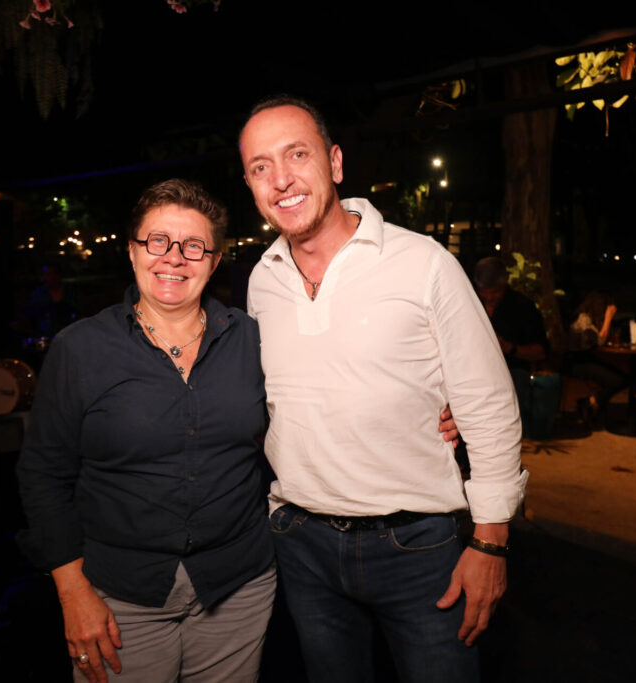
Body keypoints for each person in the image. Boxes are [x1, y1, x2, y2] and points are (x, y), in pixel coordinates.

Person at [241, 96, 526, 682]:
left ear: (335, 162)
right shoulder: (261, 281)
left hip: (417, 547)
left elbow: (488, 403)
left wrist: (492, 542)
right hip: (300, 542)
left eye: (297, 155)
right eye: (260, 166)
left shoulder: (423, 263)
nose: (281, 179)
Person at [16, 179, 276, 683]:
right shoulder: (80, 348)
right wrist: (72, 593)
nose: (174, 257)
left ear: (213, 262)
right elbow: (43, 475)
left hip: (237, 586)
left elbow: (320, 396)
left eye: (193, 245)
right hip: (118, 597)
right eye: (158, 241)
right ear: (133, 251)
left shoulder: (252, 340)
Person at [566, 290, 628, 427]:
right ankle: (588, 403)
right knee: (620, 380)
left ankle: (591, 403)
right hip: (576, 363)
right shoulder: (583, 319)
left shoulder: (589, 317)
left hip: (586, 360)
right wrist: (608, 318)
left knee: (622, 378)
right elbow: (599, 341)